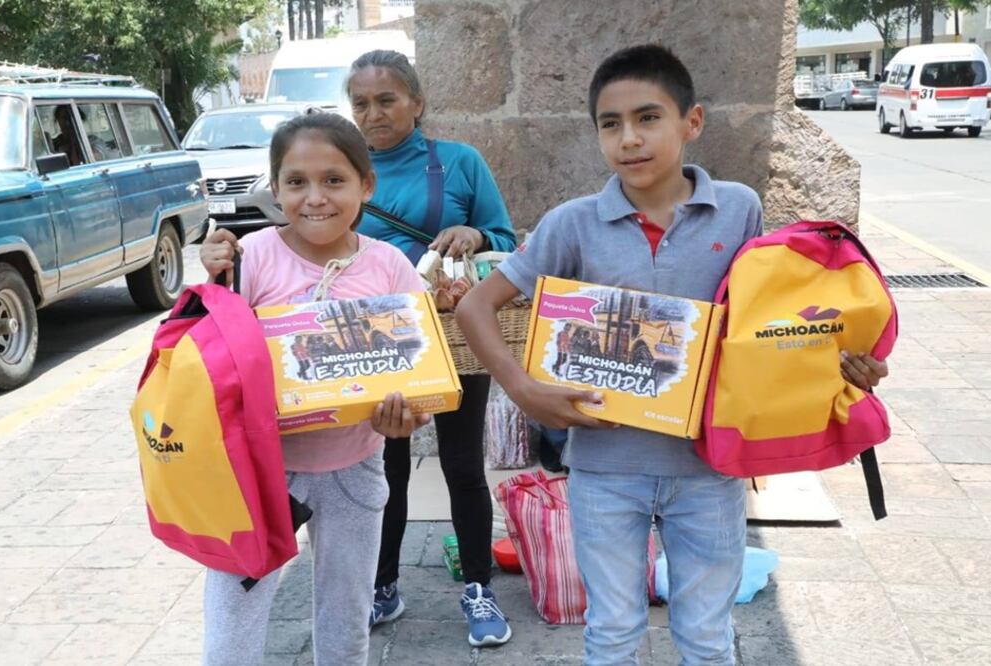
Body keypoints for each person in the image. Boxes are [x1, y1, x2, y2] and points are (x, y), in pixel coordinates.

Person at [455, 45, 889, 665]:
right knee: (611, 632)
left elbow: (768, 325)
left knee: (708, 637)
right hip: (605, 469)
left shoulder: (739, 208)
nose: (629, 139)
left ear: (693, 122)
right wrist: (524, 389)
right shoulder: (572, 224)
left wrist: (840, 365)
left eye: (648, 118)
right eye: (610, 124)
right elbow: (476, 306)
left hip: (708, 471)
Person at [198, 112, 432, 665]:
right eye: (296, 182)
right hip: (259, 473)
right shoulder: (249, 259)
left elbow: (418, 376)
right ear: (274, 187)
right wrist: (214, 278)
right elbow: (209, 357)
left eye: (334, 180)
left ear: (366, 186)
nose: (315, 198)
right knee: (233, 622)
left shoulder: (392, 267)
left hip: (355, 468)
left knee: (347, 618)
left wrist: (408, 417)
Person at [345, 49, 518, 647]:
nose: (373, 113)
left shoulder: (460, 163)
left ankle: (478, 589)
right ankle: (382, 587)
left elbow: (506, 239)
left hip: (453, 335)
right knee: (383, 468)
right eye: (361, 103)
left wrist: (476, 233)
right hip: (378, 341)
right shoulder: (344, 169)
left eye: (387, 99)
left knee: (463, 465)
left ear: (417, 103)